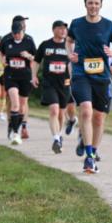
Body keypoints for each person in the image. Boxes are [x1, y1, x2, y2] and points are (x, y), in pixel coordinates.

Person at [67, 0, 112, 174]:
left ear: (101, 5)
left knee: (99, 118)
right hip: (81, 74)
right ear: (85, 4)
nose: (93, 6)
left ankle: (92, 147)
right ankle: (89, 157)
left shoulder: (109, 25)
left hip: (102, 77)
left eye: (96, 3)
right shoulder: (76, 24)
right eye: (90, 3)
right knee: (85, 110)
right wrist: (70, 54)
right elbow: (69, 41)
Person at [33, 20, 73, 154]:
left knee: (61, 113)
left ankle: (59, 135)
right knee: (54, 111)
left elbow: (72, 63)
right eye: (60, 28)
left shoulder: (69, 46)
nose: (63, 31)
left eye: (65, 29)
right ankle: (56, 138)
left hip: (64, 83)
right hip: (49, 83)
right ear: (54, 30)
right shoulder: (45, 45)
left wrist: (74, 78)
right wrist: (34, 76)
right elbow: (36, 61)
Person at [0, 16, 37, 145]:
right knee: (15, 103)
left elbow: (36, 58)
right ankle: (15, 133)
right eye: (14, 33)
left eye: (18, 33)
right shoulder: (7, 39)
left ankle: (14, 126)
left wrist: (28, 56)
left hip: (25, 76)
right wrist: (2, 59)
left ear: (23, 30)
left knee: (22, 106)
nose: (16, 36)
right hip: (11, 75)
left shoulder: (29, 40)